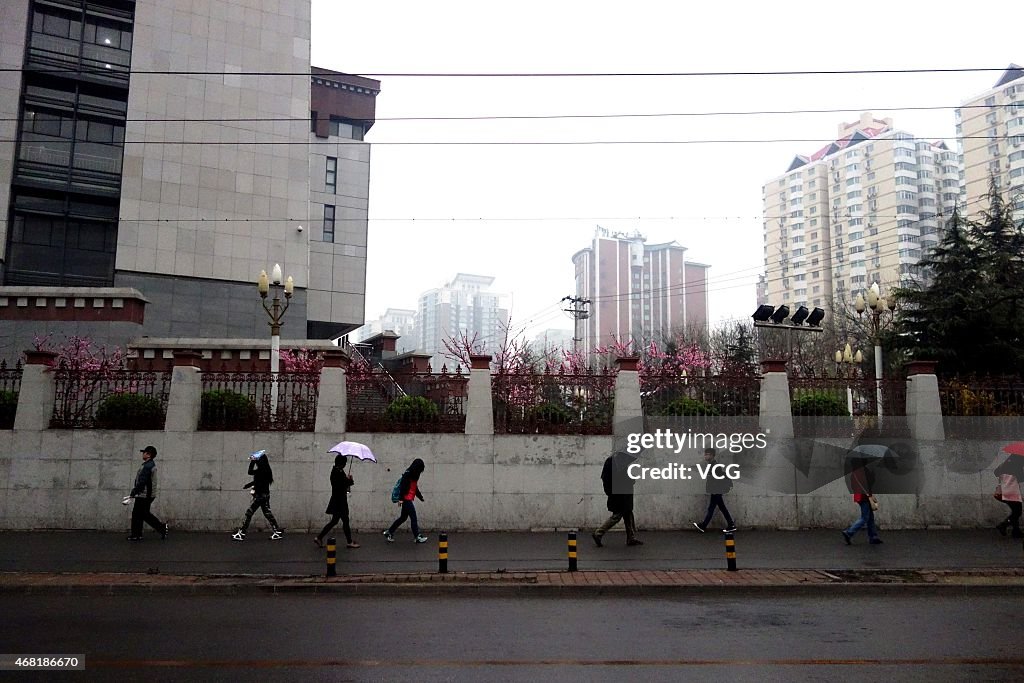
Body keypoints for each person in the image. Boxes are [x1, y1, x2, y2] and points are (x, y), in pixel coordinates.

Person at [593, 451, 643, 547]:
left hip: (621, 493)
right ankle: (598, 533)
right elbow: (622, 478)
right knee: (617, 515)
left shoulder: (615, 460)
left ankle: (631, 537)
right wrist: (631, 480)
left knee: (628, 514)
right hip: (620, 494)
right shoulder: (617, 462)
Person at [232, 450, 283, 541]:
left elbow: (250, 472)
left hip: (261, 496)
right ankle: (277, 531)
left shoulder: (261, 470)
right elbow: (258, 480)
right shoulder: (266, 470)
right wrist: (249, 485)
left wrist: (252, 461)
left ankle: (242, 533)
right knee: (267, 513)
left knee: (249, 513)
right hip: (265, 495)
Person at [315, 455, 359, 549]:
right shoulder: (337, 472)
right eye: (344, 463)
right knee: (345, 521)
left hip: (338, 500)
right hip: (340, 501)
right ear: (341, 463)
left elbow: (343, 484)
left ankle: (319, 537)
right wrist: (349, 480)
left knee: (335, 521)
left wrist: (347, 480)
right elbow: (341, 486)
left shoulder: (337, 471)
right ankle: (349, 542)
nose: (345, 464)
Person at [127, 446, 168, 541]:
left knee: (138, 514)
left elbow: (142, 482)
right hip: (147, 495)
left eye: (144, 452)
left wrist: (134, 492)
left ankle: (137, 534)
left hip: (144, 495)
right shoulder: (149, 465)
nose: (143, 454)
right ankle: (138, 534)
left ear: (148, 454)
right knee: (143, 514)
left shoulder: (147, 466)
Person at [692, 447, 737, 533]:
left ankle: (703, 526)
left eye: (707, 454)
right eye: (705, 454)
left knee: (712, 508)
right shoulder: (712, 464)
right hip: (716, 490)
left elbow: (718, 478)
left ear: (712, 455)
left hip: (716, 491)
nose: (705, 456)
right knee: (721, 507)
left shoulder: (715, 465)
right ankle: (731, 525)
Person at [384, 458, 428, 543]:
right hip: (406, 499)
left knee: (403, 518)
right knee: (413, 517)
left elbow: (415, 487)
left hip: (408, 498)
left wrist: (420, 497)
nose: (420, 471)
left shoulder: (414, 474)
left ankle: (389, 532)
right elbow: (403, 487)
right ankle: (417, 536)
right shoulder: (408, 474)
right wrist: (401, 499)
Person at [841, 457, 882, 545]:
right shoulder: (863, 471)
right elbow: (869, 483)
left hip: (859, 496)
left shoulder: (854, 473)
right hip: (865, 497)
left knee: (870, 518)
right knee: (865, 518)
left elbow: (853, 485)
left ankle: (873, 537)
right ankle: (849, 532)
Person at [994, 455, 1023, 539]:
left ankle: (1016, 531)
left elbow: (996, 472)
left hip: (1005, 489)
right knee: (1017, 511)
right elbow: (1020, 477)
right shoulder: (1018, 462)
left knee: (1015, 510)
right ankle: (1003, 525)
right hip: (1011, 490)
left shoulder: (1007, 462)